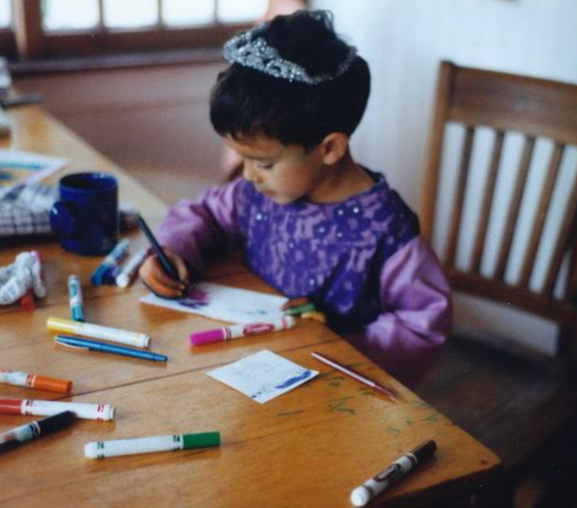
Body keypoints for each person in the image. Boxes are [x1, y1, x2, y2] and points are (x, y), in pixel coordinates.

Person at [139, 10, 451, 387]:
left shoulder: (386, 228)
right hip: (254, 365)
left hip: (338, 387)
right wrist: (173, 250)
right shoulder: (259, 192)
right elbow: (203, 213)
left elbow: (423, 324)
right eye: (244, 158)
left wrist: (344, 346)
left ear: (331, 148)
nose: (248, 174)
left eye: (263, 162)